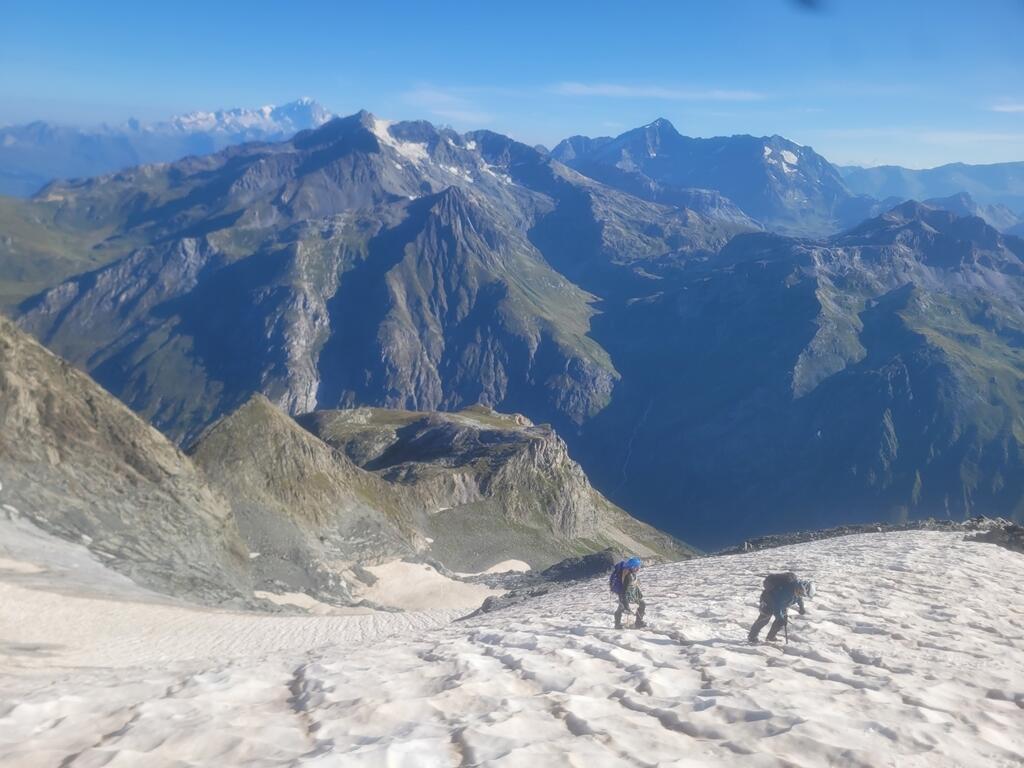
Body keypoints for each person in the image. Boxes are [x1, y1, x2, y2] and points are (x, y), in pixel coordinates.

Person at [748, 572, 814, 643]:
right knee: (764, 618)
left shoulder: (798, 590)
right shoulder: (787, 592)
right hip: (768, 600)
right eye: (802, 593)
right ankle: (752, 637)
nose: (802, 595)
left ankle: (771, 637)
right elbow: (777, 607)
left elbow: (799, 599)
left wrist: (801, 607)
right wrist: (780, 618)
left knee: (782, 621)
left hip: (782, 603)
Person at [611, 556, 647, 629]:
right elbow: (624, 590)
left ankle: (619, 624)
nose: (638, 568)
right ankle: (636, 622)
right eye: (637, 566)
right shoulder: (628, 576)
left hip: (630, 595)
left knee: (640, 604)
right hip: (626, 595)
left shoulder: (630, 573)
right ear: (633, 567)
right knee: (622, 607)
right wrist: (625, 603)